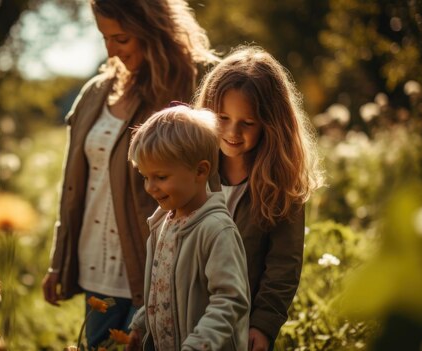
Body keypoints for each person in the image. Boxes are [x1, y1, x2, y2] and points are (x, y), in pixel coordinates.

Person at [42, 0, 218, 347]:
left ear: (152, 29)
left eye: (121, 39)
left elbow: (212, 178)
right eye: (105, 38)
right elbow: (75, 186)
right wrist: (58, 261)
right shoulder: (95, 92)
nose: (111, 51)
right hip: (95, 268)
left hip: (157, 267)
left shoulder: (191, 84)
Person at [195, 45, 325, 351]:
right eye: (222, 117)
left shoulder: (282, 184)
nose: (232, 131)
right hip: (187, 315)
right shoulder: (193, 169)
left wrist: (264, 324)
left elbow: (283, 264)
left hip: (240, 327)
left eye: (247, 123)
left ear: (271, 123)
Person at [126, 105, 250, 351]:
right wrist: (141, 325)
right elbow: (160, 290)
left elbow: (230, 300)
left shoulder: (216, 230)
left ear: (200, 171)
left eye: (161, 177)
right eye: (144, 176)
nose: (150, 187)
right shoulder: (162, 223)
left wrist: (198, 345)